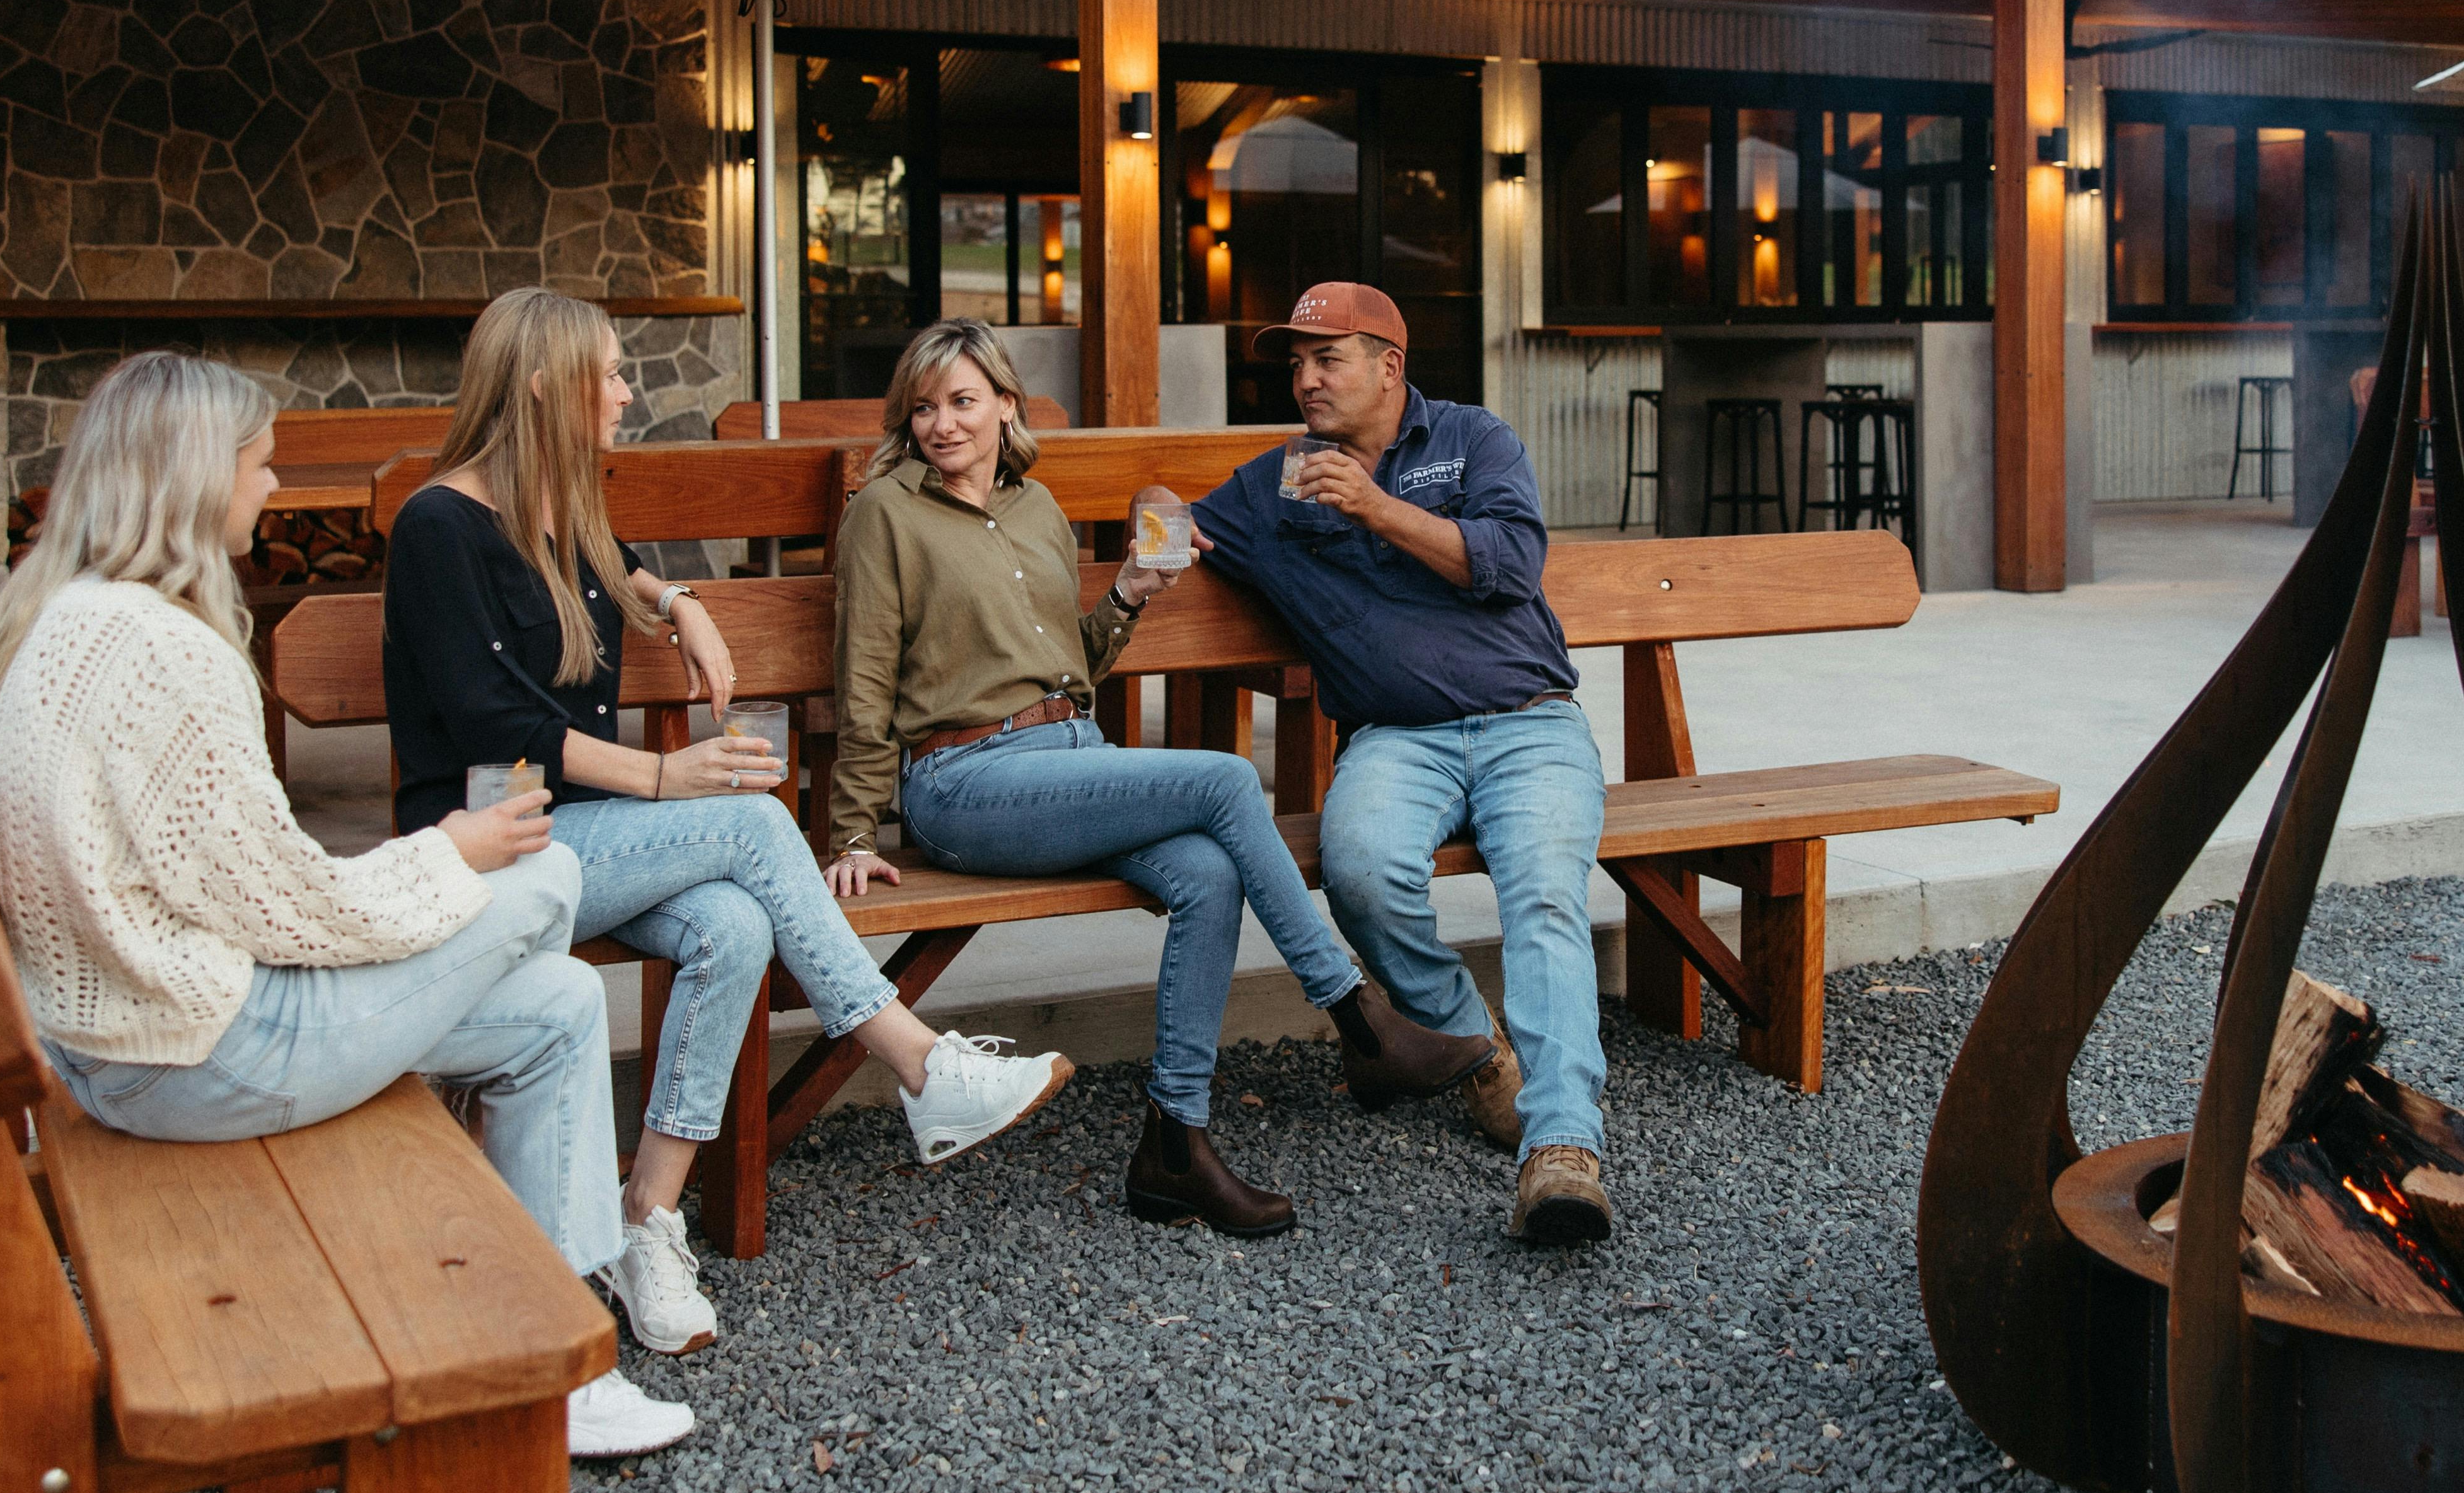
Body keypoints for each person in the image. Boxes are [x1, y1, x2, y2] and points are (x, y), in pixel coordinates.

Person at [0, 351, 695, 1459]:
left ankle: (555, 1342)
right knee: (547, 877)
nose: (271, 489)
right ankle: (534, 1343)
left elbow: (252, 897)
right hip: (205, 1050)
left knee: (559, 1004)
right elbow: (294, 911)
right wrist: (451, 853)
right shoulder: (163, 651)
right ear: (194, 481)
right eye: (259, 466)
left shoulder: (33, 621)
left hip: (108, 1038)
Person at [383, 289, 1070, 1355]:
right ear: (541, 385)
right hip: (488, 846)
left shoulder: (559, 508)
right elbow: (494, 727)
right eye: (609, 374)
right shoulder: (439, 524)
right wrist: (668, 781)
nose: (625, 394)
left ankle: (646, 1220)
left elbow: (614, 565)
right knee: (748, 822)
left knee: (734, 927)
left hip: (584, 839)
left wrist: (679, 606)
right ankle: (923, 1066)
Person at [821, 319, 1490, 1236]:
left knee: (1209, 874)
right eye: (925, 407)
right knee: (1222, 781)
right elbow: (862, 682)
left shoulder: (1036, 510)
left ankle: (1176, 1144)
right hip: (962, 782)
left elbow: (1070, 667)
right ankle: (1359, 1017)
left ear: (1006, 407)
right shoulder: (885, 512)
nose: (943, 424)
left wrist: (1131, 591)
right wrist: (853, 830)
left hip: (1069, 757)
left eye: (964, 402)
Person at [1192, 282, 1615, 1246]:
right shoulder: (1281, 480)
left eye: (1325, 359)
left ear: (1390, 365)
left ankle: (1562, 1147)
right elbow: (1192, 524)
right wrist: (1150, 514)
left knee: (1544, 893)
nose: (1304, 380)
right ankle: (1478, 1055)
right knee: (1361, 871)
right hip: (1395, 737)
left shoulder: (1474, 440)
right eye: (1294, 363)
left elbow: (1509, 566)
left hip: (1529, 723)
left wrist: (1378, 509)